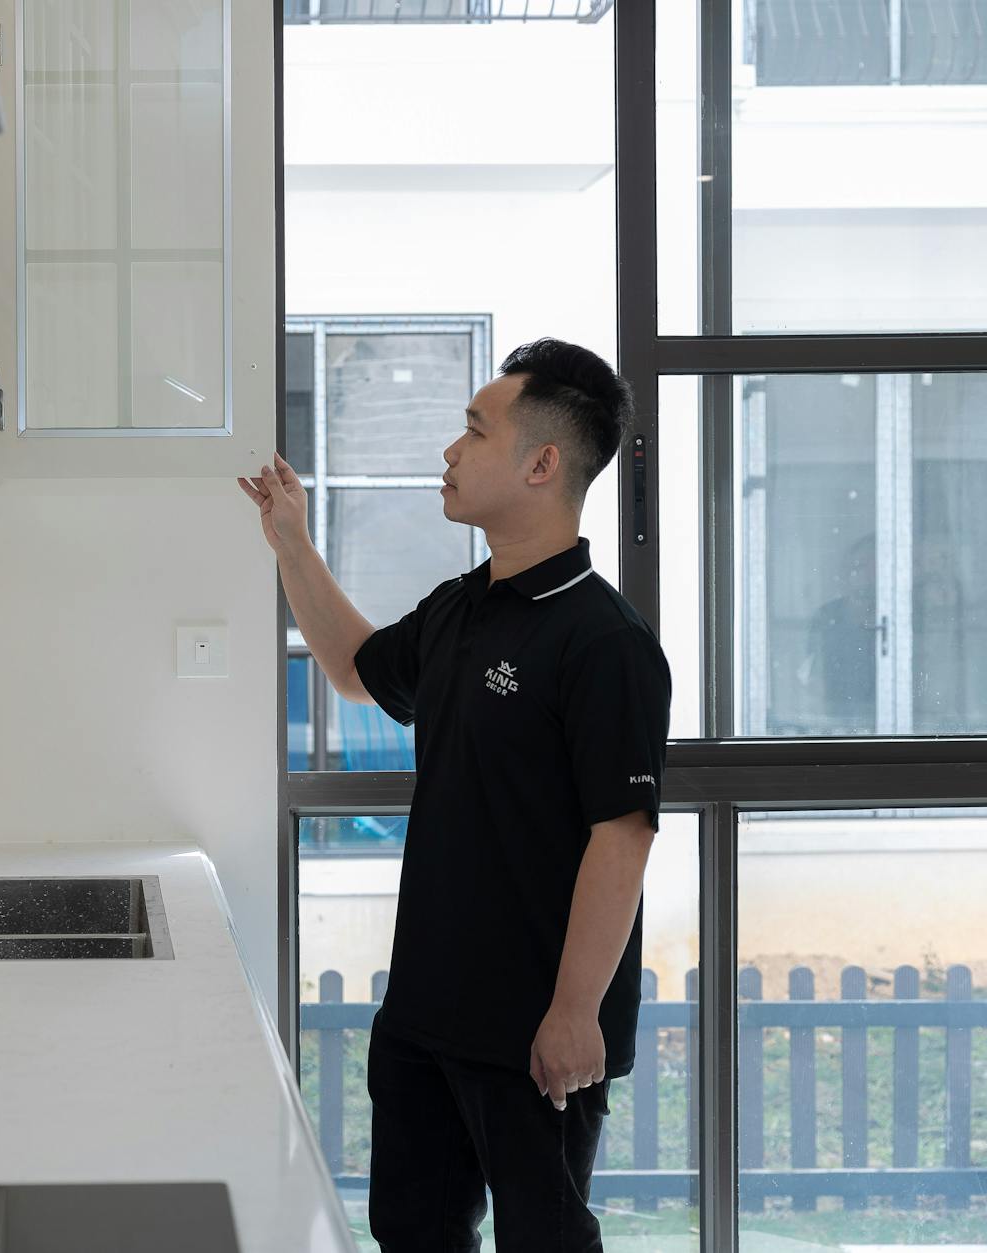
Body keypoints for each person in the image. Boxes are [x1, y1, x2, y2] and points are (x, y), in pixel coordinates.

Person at [237, 338, 672, 1251]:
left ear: (543, 462)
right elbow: (359, 670)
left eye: (474, 430)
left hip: (533, 1033)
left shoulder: (605, 641)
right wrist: (292, 544)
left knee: (544, 1239)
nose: (450, 449)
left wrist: (573, 1012)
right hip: (426, 1014)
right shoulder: (457, 607)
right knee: (413, 1232)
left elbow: (621, 838)